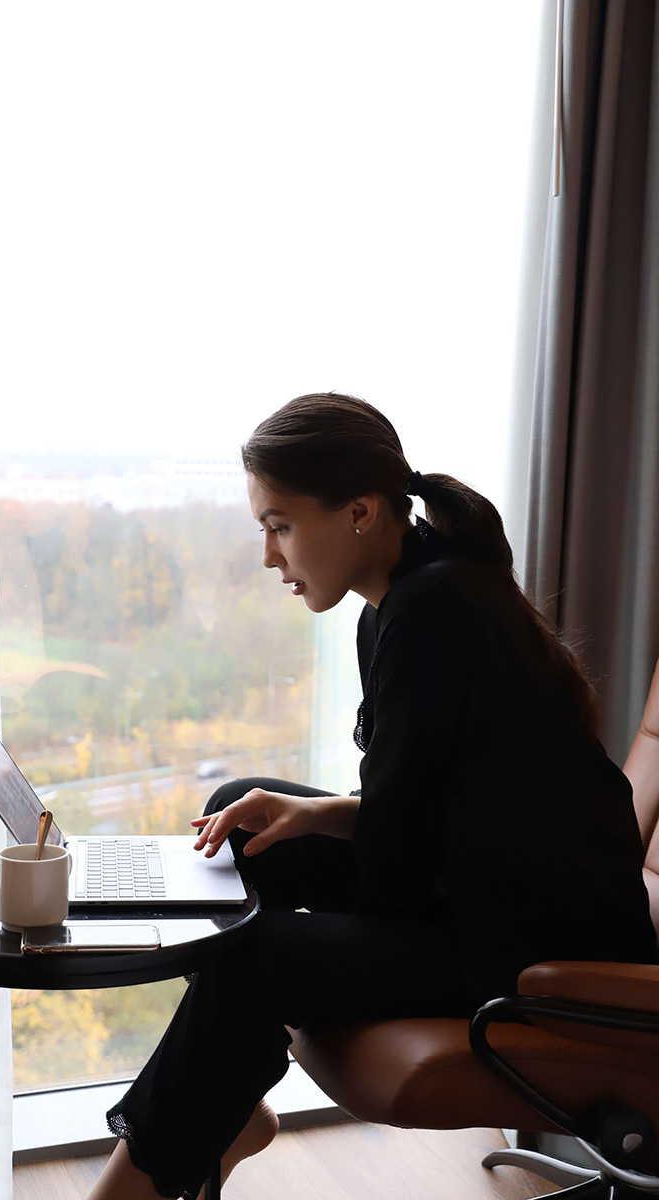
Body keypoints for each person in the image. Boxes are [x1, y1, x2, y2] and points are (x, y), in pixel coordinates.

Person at [89, 393, 658, 1200]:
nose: (268, 555)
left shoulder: (436, 613)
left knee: (261, 956)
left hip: (524, 944)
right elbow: (423, 806)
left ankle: (135, 1182)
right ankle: (228, 1110)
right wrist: (310, 818)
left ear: (358, 512)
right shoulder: (405, 600)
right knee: (249, 812)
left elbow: (396, 864)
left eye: (279, 525)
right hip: (469, 884)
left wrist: (306, 934)